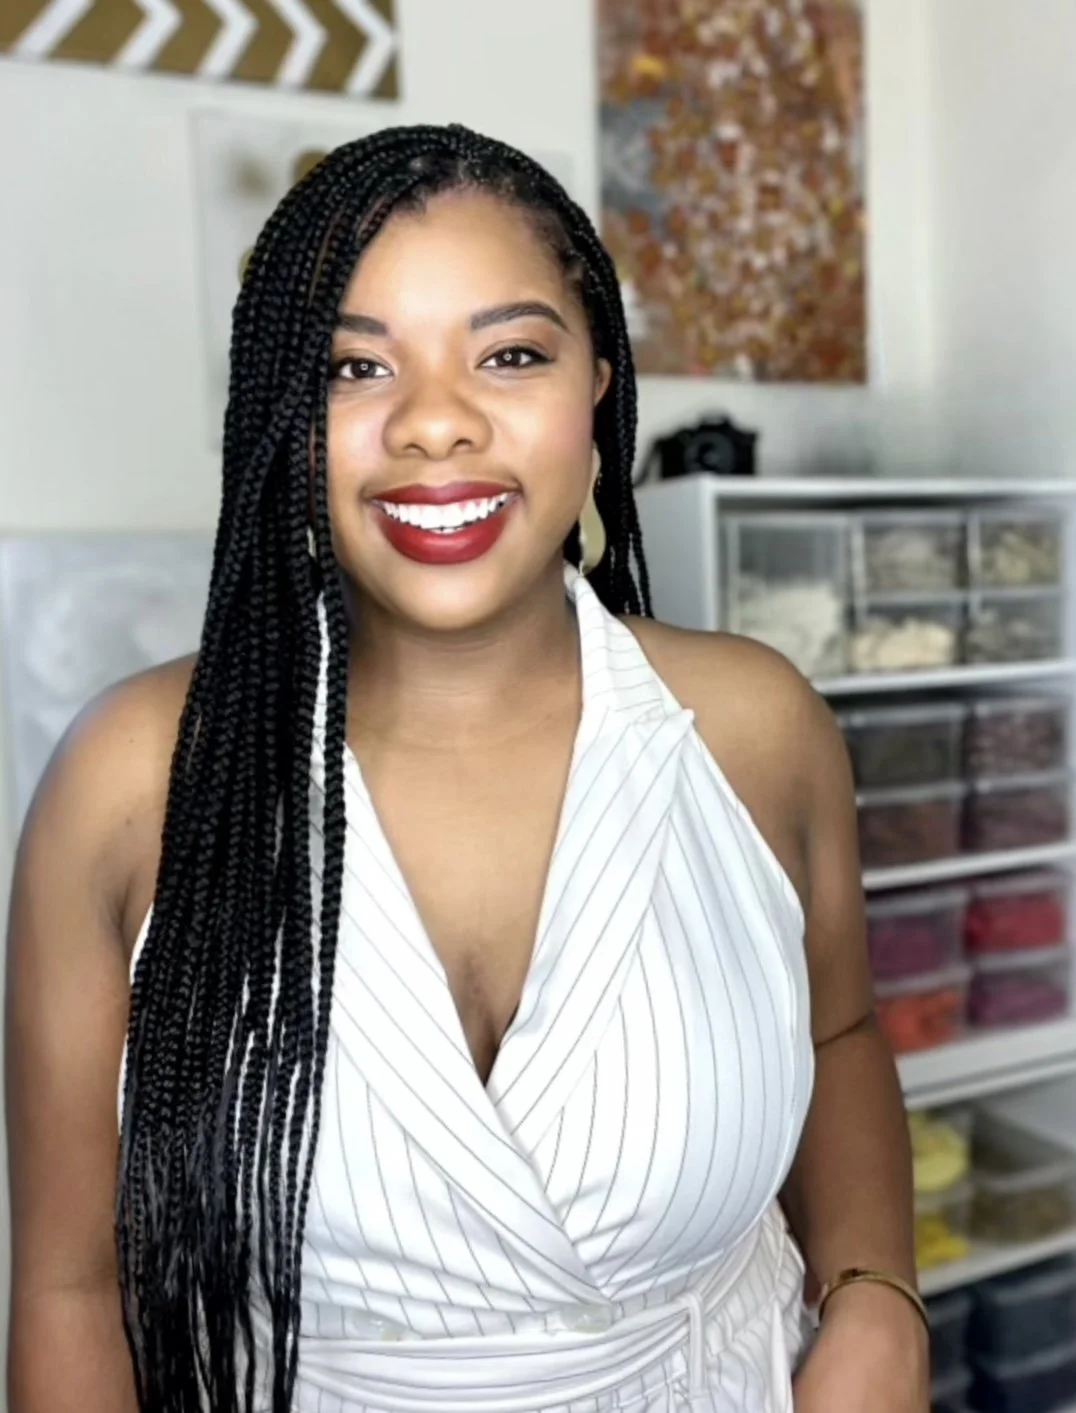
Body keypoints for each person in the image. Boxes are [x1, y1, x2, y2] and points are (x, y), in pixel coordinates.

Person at [5, 124, 928, 1413]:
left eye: (508, 354)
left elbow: (836, 1032)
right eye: (354, 365)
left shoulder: (754, 726)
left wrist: (880, 1298)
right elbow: (70, 1290)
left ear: (596, 381)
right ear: (282, 410)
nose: (435, 422)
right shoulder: (132, 782)